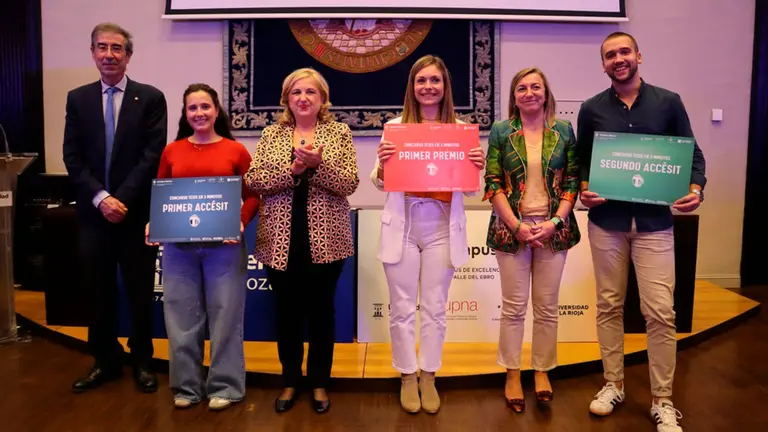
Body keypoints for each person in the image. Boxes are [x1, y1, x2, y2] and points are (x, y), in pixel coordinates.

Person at [577, 32, 706, 432]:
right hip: (607, 224)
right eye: (610, 55)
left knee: (660, 312)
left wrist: (696, 189)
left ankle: (663, 400)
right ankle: (613, 384)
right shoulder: (591, 109)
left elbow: (692, 154)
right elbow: (583, 162)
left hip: (654, 225)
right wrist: (584, 188)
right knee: (608, 306)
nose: (618, 59)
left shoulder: (669, 102)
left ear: (638, 56)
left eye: (624, 52)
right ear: (603, 64)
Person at [371, 55, 486, 414]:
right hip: (403, 224)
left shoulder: (461, 130)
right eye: (421, 80)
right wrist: (383, 163)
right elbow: (379, 182)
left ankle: (429, 375)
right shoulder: (395, 127)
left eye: (435, 80)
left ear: (445, 86)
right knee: (402, 307)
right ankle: (407, 374)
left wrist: (476, 166)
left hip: (441, 226)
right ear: (412, 87)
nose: (428, 87)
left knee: (435, 308)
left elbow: (470, 190)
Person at [244, 68, 359, 414]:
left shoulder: (338, 133)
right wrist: (292, 171)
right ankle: (291, 380)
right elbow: (254, 181)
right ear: (286, 99)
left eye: (311, 92)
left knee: (322, 314)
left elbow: (350, 183)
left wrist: (319, 165)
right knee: (287, 314)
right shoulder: (271, 134)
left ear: (322, 99)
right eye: (296, 92)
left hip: (327, 241)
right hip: (280, 241)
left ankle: (320, 383)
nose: (303, 98)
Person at [63, 22, 167, 394]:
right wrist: (102, 198)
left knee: (140, 291)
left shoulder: (150, 98)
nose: (109, 54)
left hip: (135, 214)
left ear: (128, 55)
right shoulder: (78, 99)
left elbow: (152, 155)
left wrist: (121, 198)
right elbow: (72, 157)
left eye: (117, 48)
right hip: (94, 215)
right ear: (92, 52)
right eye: (102, 47)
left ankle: (142, 361)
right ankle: (104, 360)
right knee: (98, 290)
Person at [145, 84, 259, 410]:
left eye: (205, 106)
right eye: (192, 108)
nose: (199, 113)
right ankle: (186, 388)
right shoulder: (172, 151)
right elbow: (161, 194)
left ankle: (226, 387)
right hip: (179, 249)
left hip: (224, 247)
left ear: (216, 110)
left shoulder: (236, 150)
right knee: (181, 319)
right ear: (185, 114)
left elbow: (253, 195)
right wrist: (154, 222)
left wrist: (240, 221)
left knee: (226, 318)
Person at [483, 67, 581, 413]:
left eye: (535, 87)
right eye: (521, 88)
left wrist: (555, 222)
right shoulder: (501, 131)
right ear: (514, 96)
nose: (529, 93)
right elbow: (492, 182)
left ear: (545, 92)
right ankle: (512, 373)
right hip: (512, 229)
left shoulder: (564, 130)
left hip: (554, 229)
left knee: (547, 307)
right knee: (513, 307)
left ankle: (542, 370)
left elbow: (572, 181)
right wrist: (516, 226)